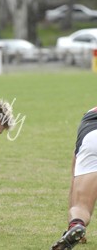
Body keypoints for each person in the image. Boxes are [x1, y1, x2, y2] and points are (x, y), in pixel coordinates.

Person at [50, 107, 97, 250]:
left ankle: (77, 225)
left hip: (91, 137)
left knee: (81, 206)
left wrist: (71, 225)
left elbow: (73, 182)